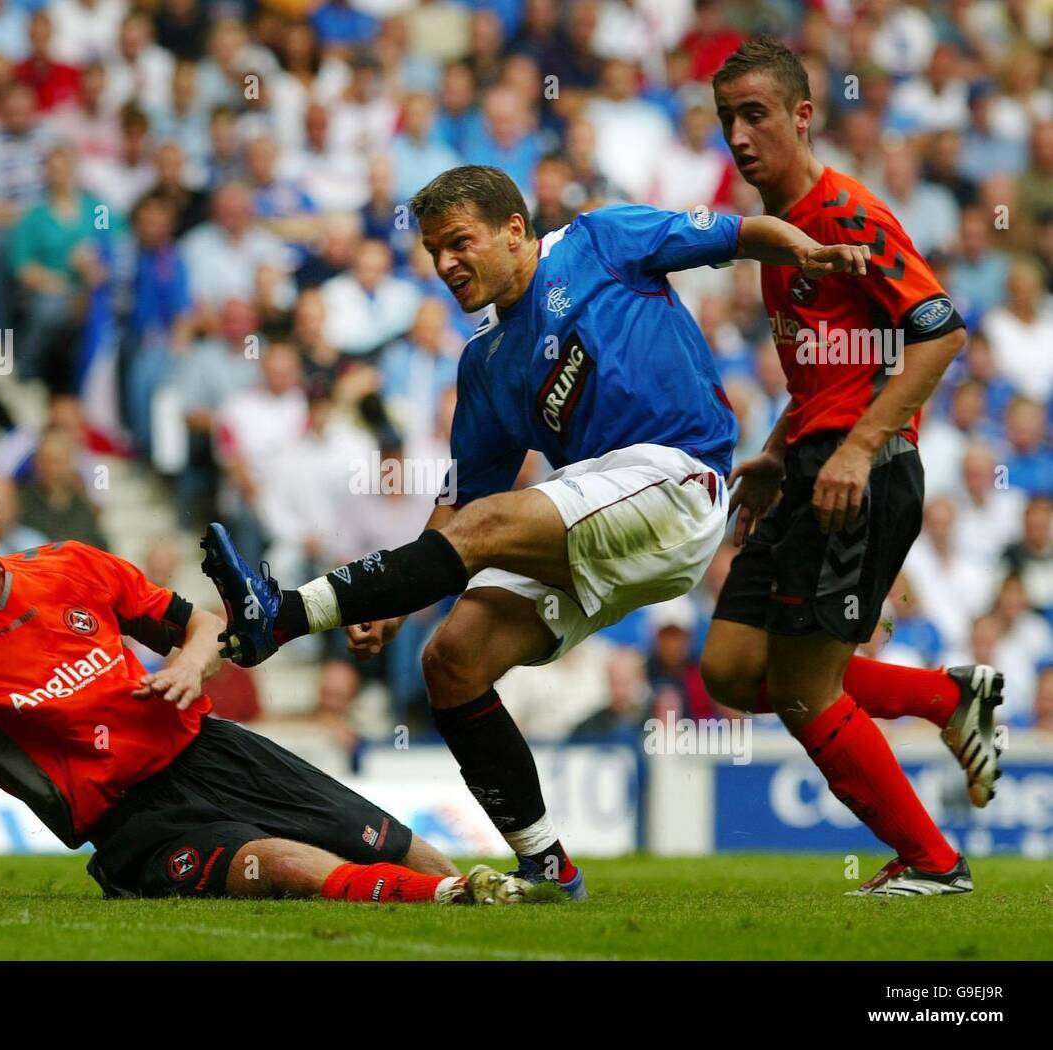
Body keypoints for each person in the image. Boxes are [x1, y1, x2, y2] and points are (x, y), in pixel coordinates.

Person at [203, 163, 872, 899]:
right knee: (451, 662)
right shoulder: (485, 363)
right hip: (599, 519)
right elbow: (459, 509)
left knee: (500, 521)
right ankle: (548, 866)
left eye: (459, 242)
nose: (445, 264)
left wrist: (805, 251)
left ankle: (283, 616)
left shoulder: (602, 240)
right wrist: (391, 605)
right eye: (432, 251)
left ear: (515, 230)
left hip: (678, 478)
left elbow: (741, 235)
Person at [0, 438, 530, 907]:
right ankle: (454, 897)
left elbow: (201, 624)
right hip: (135, 824)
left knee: (407, 851)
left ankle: (470, 892)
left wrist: (188, 664)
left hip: (216, 750)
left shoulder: (71, 567)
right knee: (287, 867)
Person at [703, 39, 989, 898]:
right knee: (729, 668)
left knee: (800, 690)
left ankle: (935, 866)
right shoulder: (782, 241)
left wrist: (859, 448)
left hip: (858, 471)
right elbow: (833, 373)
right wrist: (776, 454)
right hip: (809, 464)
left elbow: (941, 330)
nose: (739, 137)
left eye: (755, 114)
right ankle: (946, 699)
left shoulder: (848, 215)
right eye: (726, 120)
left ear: (802, 115)